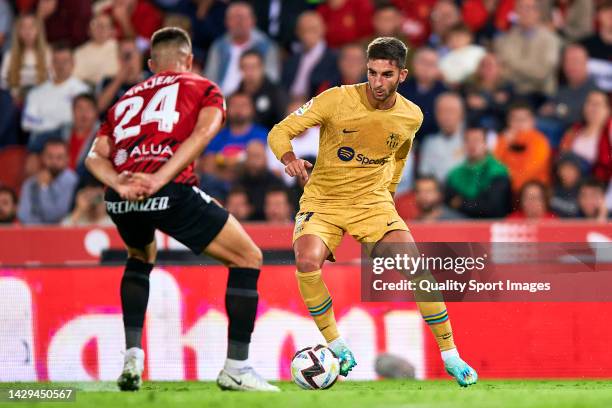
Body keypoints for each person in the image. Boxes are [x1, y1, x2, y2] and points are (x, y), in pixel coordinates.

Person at [268, 37, 477, 387]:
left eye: (387, 74)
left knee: (415, 268)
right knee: (306, 261)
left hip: (373, 204)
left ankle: (450, 354)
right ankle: (335, 343)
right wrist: (289, 159)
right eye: (372, 73)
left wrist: (389, 195)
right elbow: (280, 131)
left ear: (403, 75)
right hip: (324, 201)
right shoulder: (336, 98)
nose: (378, 82)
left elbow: (399, 156)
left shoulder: (412, 116)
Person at [85, 27, 278, 392]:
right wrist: (159, 179)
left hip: (120, 198)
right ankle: (237, 367)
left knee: (140, 254)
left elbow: (95, 155)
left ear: (151, 64)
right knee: (248, 257)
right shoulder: (201, 86)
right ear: (189, 60)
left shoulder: (123, 100)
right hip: (167, 189)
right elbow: (202, 135)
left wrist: (121, 183)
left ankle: (132, 358)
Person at [445, 126, 511, 218]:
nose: (472, 145)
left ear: (486, 144)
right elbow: (448, 202)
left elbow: (493, 208)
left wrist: (461, 203)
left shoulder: (498, 172)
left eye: (476, 140)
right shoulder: (455, 174)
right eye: (468, 141)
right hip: (461, 225)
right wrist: (478, 204)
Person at [18, 138, 78, 224]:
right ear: (43, 157)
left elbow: (56, 215)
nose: (54, 161)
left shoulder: (73, 181)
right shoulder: (30, 183)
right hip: (32, 234)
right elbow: (23, 215)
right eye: (50, 156)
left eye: (59, 157)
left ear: (67, 159)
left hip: (61, 234)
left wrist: (44, 188)